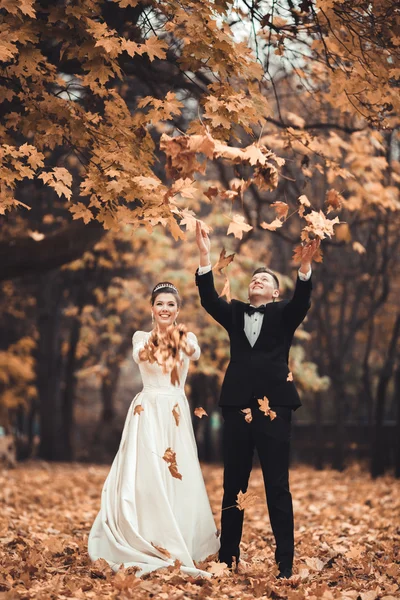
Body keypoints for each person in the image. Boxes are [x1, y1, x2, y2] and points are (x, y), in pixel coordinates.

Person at [195, 221, 319, 579]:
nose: (256, 282)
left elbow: (303, 299)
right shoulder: (234, 312)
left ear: (276, 293)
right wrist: (205, 256)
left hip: (276, 408)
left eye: (264, 281)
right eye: (254, 280)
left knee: (276, 485)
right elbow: (207, 299)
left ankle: (284, 565)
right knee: (234, 483)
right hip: (235, 406)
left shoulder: (284, 314)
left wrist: (305, 269)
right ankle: (227, 557)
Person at [88, 282, 220, 577]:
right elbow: (141, 356)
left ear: (177, 310)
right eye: (160, 304)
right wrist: (159, 337)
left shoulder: (187, 337)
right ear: (152, 308)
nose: (165, 309)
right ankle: (146, 534)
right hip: (147, 410)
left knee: (178, 473)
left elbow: (194, 352)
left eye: (171, 305)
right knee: (146, 473)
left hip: (174, 412)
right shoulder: (141, 337)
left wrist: (177, 335)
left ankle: (181, 537)